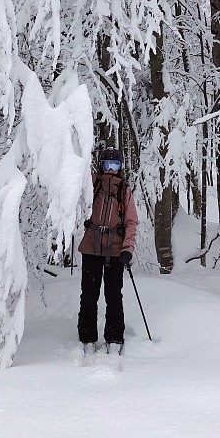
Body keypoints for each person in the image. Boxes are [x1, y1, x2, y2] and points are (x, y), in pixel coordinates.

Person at [77, 146, 138, 351]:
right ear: (101, 165)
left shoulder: (124, 191)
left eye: (115, 164)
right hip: (91, 248)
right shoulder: (92, 185)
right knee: (89, 294)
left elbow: (131, 222)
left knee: (113, 295)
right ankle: (87, 337)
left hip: (115, 251)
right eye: (107, 164)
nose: (111, 169)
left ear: (120, 167)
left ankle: (114, 338)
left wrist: (127, 249)